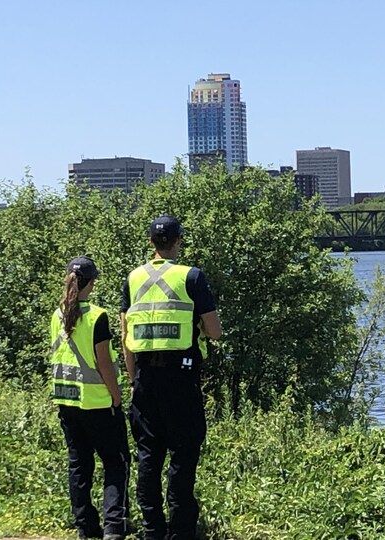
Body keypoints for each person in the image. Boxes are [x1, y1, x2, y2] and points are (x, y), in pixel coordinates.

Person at [120, 216, 222, 540]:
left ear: (152, 243)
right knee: (184, 452)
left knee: (148, 455)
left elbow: (125, 337)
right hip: (181, 376)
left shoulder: (133, 279)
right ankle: (180, 531)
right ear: (178, 241)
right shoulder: (191, 276)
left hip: (145, 378)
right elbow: (216, 333)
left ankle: (152, 529)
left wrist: (133, 379)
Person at [50, 255, 130, 540]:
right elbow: (104, 364)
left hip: (66, 401)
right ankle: (113, 527)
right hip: (97, 402)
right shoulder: (97, 316)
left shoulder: (58, 314)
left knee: (79, 465)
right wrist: (117, 397)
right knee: (115, 463)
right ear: (92, 282)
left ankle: (85, 526)